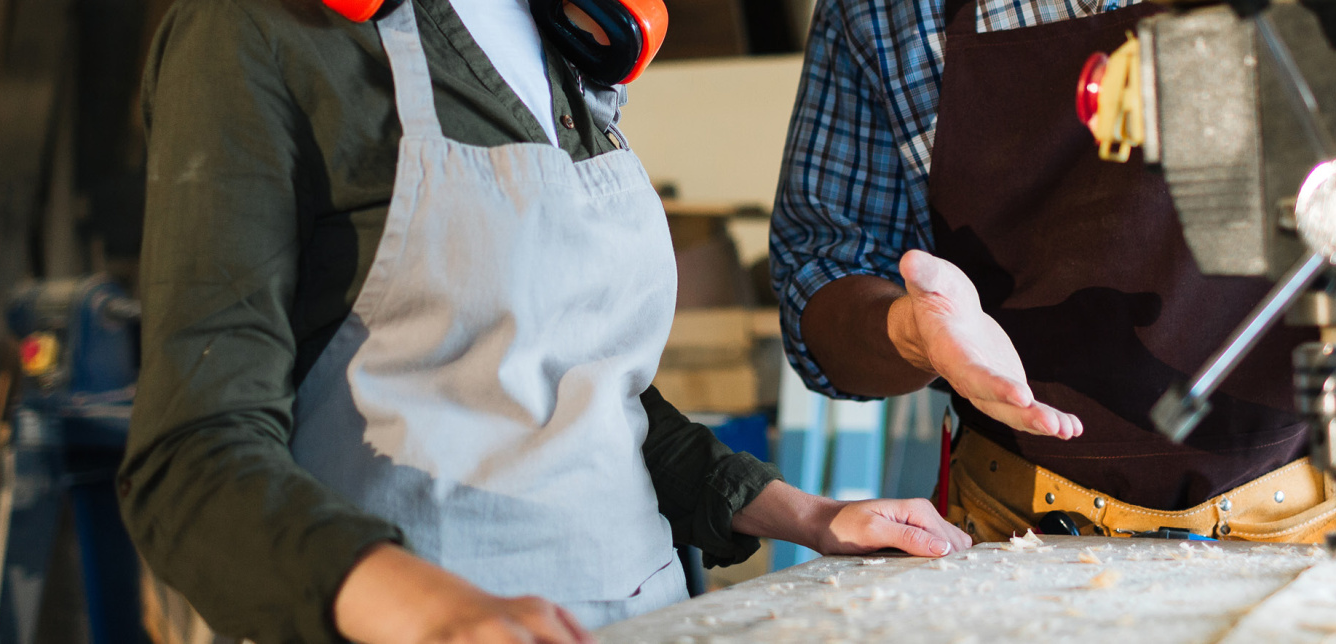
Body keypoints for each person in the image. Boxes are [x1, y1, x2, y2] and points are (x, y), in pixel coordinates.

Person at [770, 0, 1336, 640]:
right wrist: (913, 331)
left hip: (1318, 521)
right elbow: (822, 273)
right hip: (1009, 539)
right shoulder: (887, 11)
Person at [119, 0, 973, 642]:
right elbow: (190, 461)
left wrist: (804, 516)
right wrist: (436, 612)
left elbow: (583, 393)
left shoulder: (570, 36)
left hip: (646, 614)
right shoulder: (258, 35)